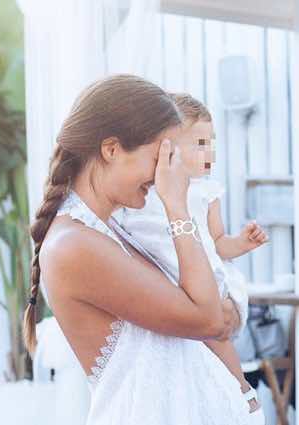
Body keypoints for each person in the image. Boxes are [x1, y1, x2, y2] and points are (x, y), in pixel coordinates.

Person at [24, 75, 251, 424]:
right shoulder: (75, 245)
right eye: (160, 155)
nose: (167, 171)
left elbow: (213, 315)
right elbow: (208, 318)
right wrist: (177, 204)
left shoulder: (113, 231)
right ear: (112, 149)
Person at [115, 92, 268, 424]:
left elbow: (218, 243)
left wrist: (242, 242)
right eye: (200, 142)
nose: (209, 151)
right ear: (167, 147)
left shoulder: (207, 191)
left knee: (216, 334)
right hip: (164, 278)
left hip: (203, 274)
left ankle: (242, 389)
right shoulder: (144, 190)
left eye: (211, 141)